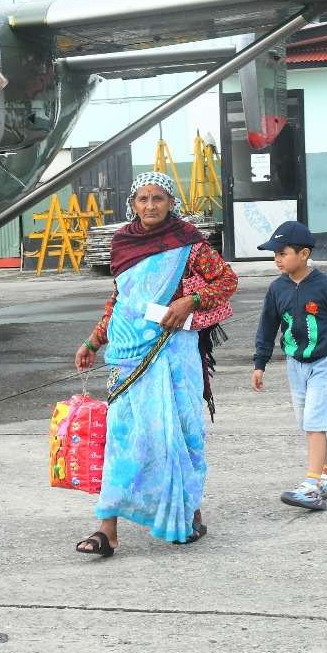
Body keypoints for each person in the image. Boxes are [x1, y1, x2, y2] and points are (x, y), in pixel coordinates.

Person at [73, 172, 238, 556]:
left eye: (158, 199)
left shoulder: (189, 245)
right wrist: (94, 340)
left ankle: (185, 514)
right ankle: (106, 530)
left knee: (179, 434)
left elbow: (227, 281)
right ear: (133, 203)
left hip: (173, 354)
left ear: (171, 203)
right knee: (124, 437)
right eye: (143, 199)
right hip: (128, 354)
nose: (150, 206)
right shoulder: (123, 243)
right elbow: (120, 300)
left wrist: (188, 302)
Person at [250, 221, 327, 511]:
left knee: (314, 422)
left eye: (282, 253)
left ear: (304, 254)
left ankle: (311, 486)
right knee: (306, 423)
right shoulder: (277, 289)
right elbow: (267, 327)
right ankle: (325, 475)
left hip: (325, 361)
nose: (277, 260)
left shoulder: (325, 285)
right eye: (275, 255)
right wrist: (260, 364)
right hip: (295, 364)